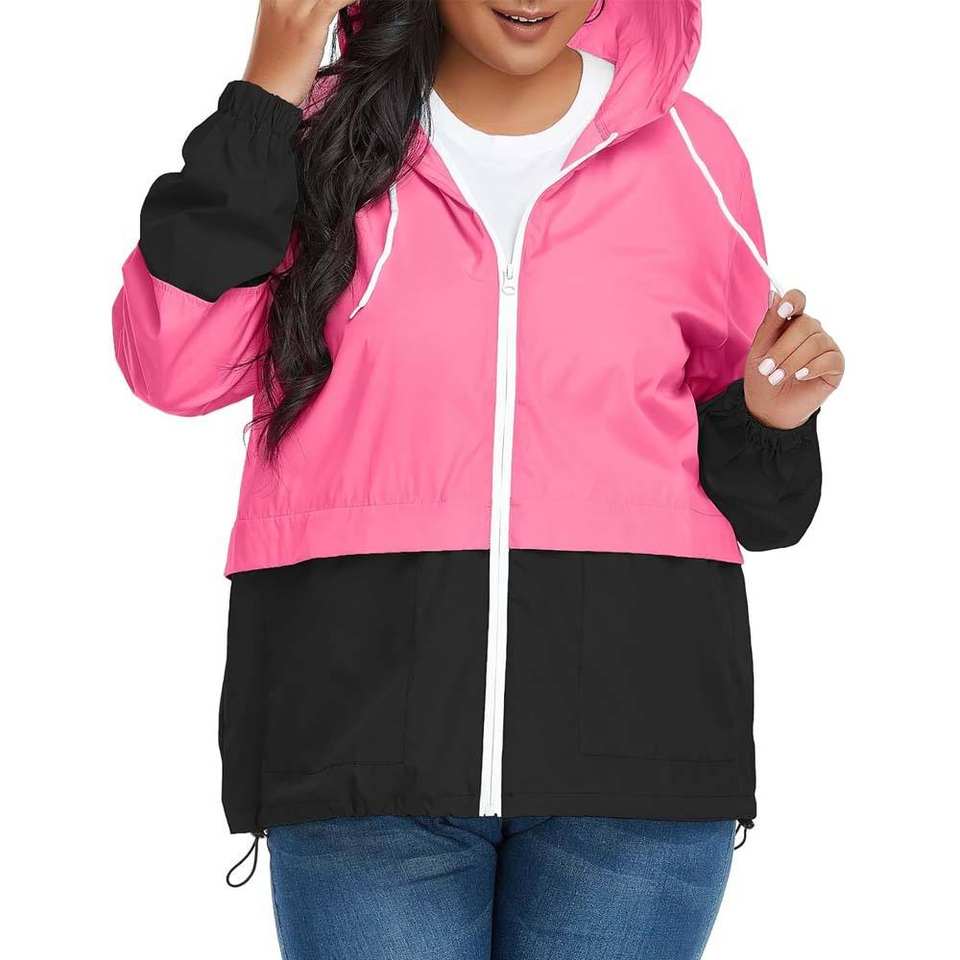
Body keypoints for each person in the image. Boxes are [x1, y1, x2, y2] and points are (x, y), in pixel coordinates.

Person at [112, 1, 845, 957]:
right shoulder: (313, 135)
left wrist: (773, 418)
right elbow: (170, 364)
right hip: (355, 744)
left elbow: (758, 506)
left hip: (639, 753)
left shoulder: (689, 149)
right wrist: (267, 91)